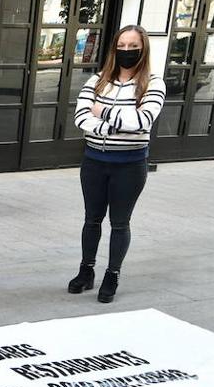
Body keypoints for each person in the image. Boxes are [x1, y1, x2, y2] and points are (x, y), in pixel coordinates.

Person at [69, 24, 165, 303]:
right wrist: (114, 125)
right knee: (92, 219)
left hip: (130, 165)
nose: (126, 52)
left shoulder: (153, 83)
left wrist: (103, 111)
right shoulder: (98, 80)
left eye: (132, 47)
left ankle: (112, 274)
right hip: (94, 161)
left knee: (119, 223)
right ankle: (86, 271)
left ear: (143, 49)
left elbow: (142, 121)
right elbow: (81, 117)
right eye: (121, 46)